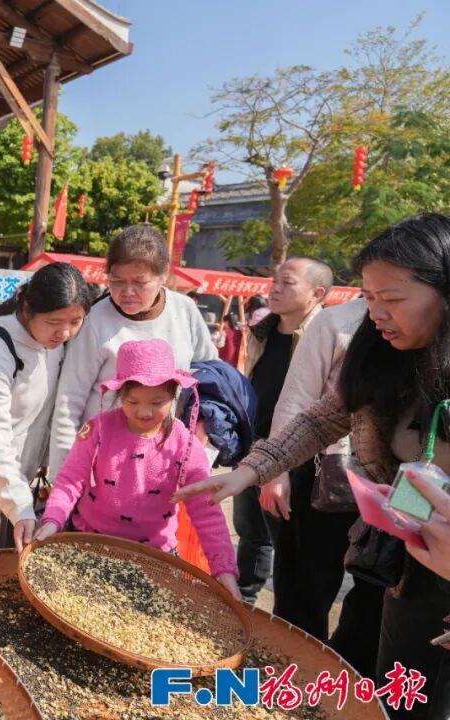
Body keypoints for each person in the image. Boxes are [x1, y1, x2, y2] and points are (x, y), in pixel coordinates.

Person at [176, 213, 450, 720]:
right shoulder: (380, 350)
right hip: (407, 562)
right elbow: (324, 416)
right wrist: (252, 471)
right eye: (368, 297)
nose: (376, 314)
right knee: (398, 690)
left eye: (391, 299)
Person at [35, 339, 241, 600]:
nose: (144, 412)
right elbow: (70, 480)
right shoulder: (99, 429)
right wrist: (53, 519)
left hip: (154, 557)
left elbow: (206, 509)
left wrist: (223, 568)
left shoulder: (185, 444)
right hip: (89, 544)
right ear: (120, 394)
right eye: (132, 402)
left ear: (174, 395)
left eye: (157, 402)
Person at [258, 296, 382, 674]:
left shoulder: (428, 323)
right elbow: (299, 401)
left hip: (392, 489)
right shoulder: (336, 321)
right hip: (321, 474)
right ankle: (292, 674)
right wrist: (275, 471)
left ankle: (347, 681)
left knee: (375, 595)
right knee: (306, 587)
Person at [48, 224, 217, 478]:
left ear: (163, 276)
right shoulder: (95, 320)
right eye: (117, 281)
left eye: (139, 282)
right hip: (105, 458)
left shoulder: (185, 311)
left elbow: (211, 375)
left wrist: (202, 438)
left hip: (167, 459)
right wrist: (64, 476)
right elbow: (69, 401)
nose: (127, 292)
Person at [0, 262, 93, 577]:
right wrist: (19, 505)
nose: (64, 332)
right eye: (54, 322)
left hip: (14, 488)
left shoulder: (52, 345)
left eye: (75, 322)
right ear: (28, 308)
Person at [234, 258, 332, 605]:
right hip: (254, 449)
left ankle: (288, 623)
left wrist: (285, 466)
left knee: (292, 549)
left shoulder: (328, 338)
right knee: (250, 533)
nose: (274, 289)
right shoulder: (261, 331)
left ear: (317, 293)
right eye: (274, 280)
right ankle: (243, 604)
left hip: (299, 459)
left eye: (287, 283)